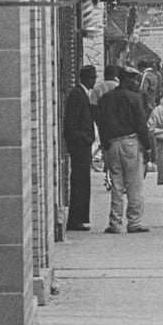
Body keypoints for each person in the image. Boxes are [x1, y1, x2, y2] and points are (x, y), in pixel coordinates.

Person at [98, 67, 153, 234]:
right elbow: (141, 124)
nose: (136, 82)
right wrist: (148, 146)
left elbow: (101, 122)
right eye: (133, 79)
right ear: (125, 80)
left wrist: (104, 143)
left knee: (116, 183)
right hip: (131, 142)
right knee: (134, 183)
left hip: (112, 143)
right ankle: (134, 222)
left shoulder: (106, 99)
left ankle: (115, 222)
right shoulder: (134, 99)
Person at [63, 66, 98, 232]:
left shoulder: (82, 94)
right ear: (86, 78)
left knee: (83, 182)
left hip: (82, 146)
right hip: (79, 147)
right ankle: (76, 219)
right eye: (93, 77)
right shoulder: (77, 95)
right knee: (79, 182)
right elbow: (71, 123)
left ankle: (81, 218)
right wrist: (83, 138)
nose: (95, 81)